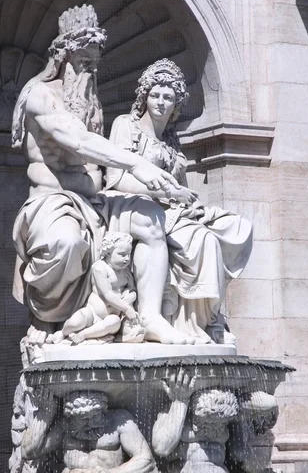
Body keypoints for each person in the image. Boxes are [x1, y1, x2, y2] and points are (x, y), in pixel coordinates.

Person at [11, 4, 197, 346]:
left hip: (97, 203)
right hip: (52, 203)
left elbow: (102, 169)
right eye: (82, 63)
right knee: (67, 242)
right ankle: (52, 318)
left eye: (94, 65)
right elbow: (78, 141)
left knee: (150, 218)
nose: (88, 72)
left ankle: (152, 318)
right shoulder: (40, 95)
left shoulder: (90, 103)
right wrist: (136, 164)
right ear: (62, 58)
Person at [107, 59, 253, 343]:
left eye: (168, 97)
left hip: (171, 212)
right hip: (131, 207)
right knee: (203, 240)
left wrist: (192, 205)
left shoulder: (172, 141)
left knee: (232, 227)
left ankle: (201, 323)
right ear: (144, 97)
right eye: (155, 95)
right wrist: (168, 194)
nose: (161, 102)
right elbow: (115, 179)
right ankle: (187, 324)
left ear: (176, 105)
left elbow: (182, 189)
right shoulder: (125, 126)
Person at [23, 389, 155, 473]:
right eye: (83, 419)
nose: (91, 422)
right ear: (71, 416)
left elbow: (147, 459)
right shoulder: (65, 424)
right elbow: (29, 452)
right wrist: (45, 414)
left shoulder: (119, 420)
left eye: (95, 416)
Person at [52, 232, 144, 344]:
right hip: (92, 313)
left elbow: (133, 289)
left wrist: (130, 297)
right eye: (122, 254)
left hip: (111, 316)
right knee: (75, 322)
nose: (127, 259)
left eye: (129, 254)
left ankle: (84, 334)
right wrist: (126, 308)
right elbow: (108, 294)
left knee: (114, 322)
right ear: (108, 253)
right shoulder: (100, 268)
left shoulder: (125, 271)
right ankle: (63, 333)